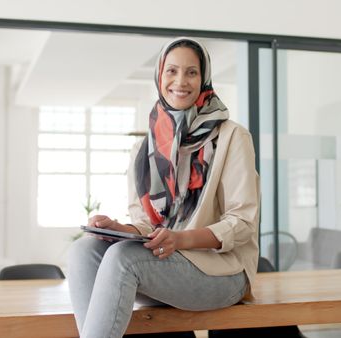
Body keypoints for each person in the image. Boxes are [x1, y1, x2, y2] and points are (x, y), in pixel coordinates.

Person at [67, 37, 260, 338]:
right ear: (160, 76)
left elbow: (243, 224)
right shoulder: (144, 149)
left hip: (223, 272)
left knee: (122, 260)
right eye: (172, 71)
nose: (180, 81)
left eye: (191, 72)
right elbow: (147, 225)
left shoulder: (232, 137)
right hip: (166, 265)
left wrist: (180, 239)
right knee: (83, 250)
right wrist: (121, 228)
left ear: (204, 78)